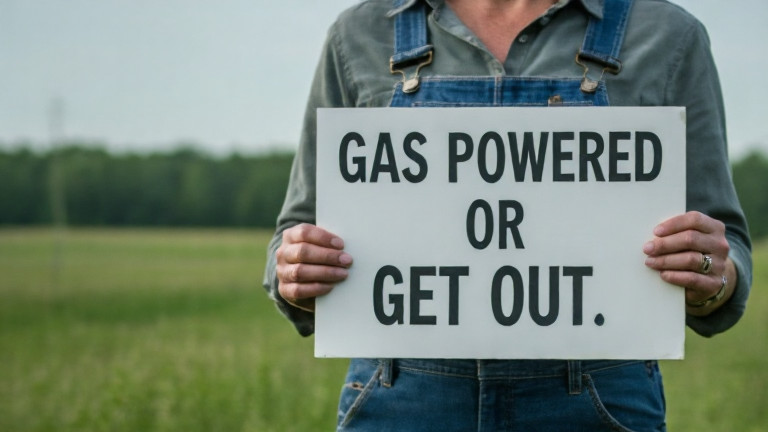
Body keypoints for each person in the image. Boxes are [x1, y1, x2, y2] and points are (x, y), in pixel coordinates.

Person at [263, 0, 753, 430]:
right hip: (399, 398)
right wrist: (296, 270)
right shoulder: (359, 33)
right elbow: (295, 232)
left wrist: (712, 271)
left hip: (599, 401)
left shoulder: (668, 34)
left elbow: (724, 245)